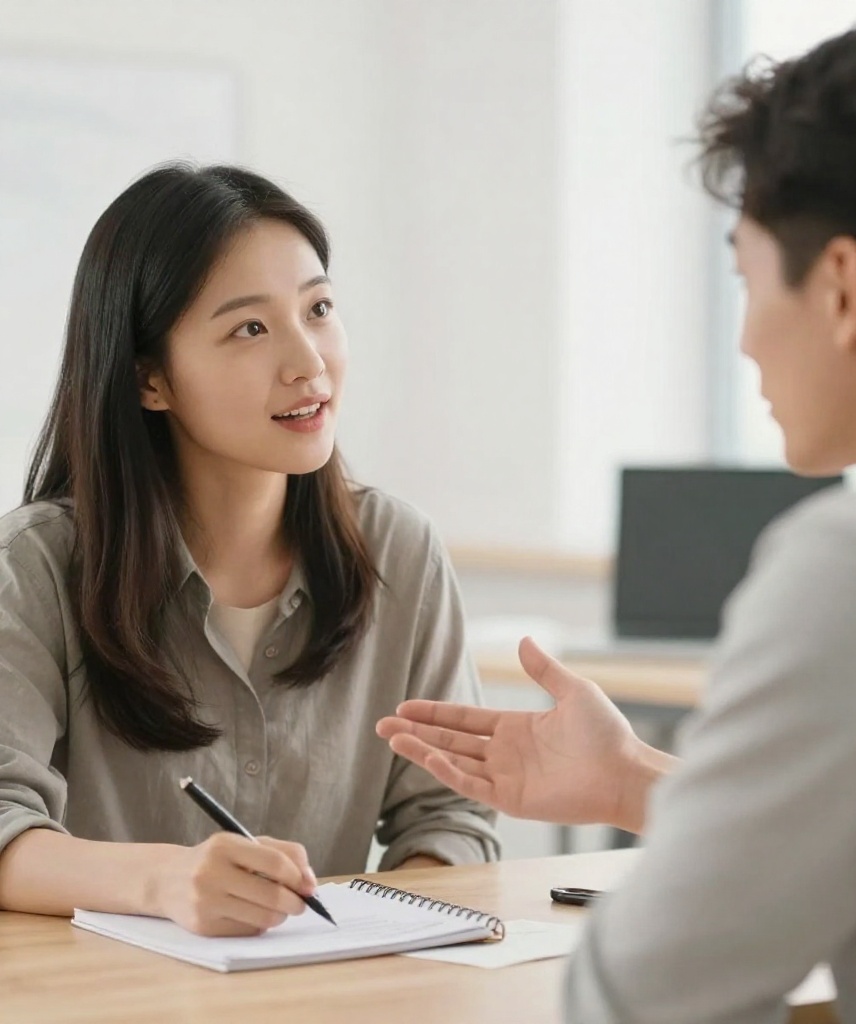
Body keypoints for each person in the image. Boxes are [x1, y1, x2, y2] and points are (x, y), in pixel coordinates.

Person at [378, 13, 856, 1022]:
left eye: (746, 279)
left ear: (843, 287)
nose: (748, 341)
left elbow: (645, 1000)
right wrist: (633, 777)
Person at [0, 163, 498, 938]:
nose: (309, 362)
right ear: (150, 380)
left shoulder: (400, 551)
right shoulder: (36, 565)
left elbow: (449, 813)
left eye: (319, 309)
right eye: (251, 329)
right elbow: (4, 824)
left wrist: (391, 926)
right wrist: (165, 881)